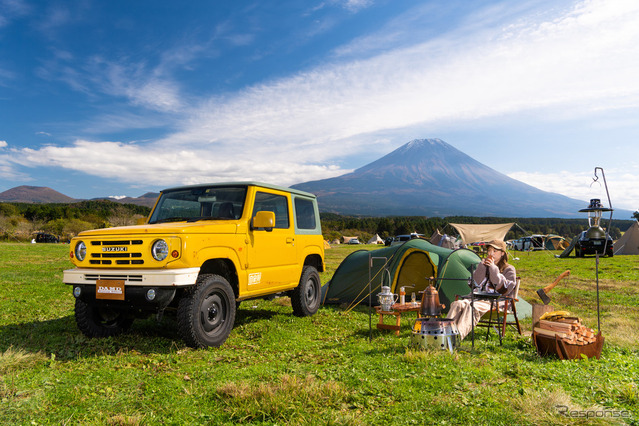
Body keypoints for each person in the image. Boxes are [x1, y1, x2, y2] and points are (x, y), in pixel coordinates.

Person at [446, 239, 517, 339]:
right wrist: (481, 269)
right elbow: (472, 285)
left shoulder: (509, 269)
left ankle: (456, 337)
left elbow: (504, 289)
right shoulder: (484, 265)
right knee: (457, 304)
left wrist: (493, 269)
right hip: (479, 298)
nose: (491, 254)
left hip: (497, 301)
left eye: (494, 251)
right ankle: (445, 333)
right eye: (489, 251)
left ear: (502, 253)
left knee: (471, 307)